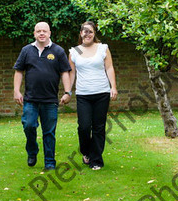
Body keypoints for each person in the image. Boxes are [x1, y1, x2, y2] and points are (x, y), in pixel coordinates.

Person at [13, 22, 72, 170]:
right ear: (34, 33)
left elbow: (65, 72)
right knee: (28, 125)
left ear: (49, 33)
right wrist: (16, 90)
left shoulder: (58, 51)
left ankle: (50, 163)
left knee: (49, 132)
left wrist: (67, 92)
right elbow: (19, 71)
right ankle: (32, 151)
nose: (41, 33)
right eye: (38, 31)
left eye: (44, 31)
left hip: (50, 100)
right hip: (30, 100)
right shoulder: (26, 50)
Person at [69, 21, 117, 170]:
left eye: (90, 31)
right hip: (83, 94)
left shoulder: (102, 48)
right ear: (80, 33)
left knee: (98, 127)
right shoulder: (75, 51)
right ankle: (86, 152)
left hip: (101, 93)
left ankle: (96, 160)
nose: (87, 34)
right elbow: (71, 73)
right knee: (83, 127)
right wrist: (67, 91)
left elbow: (109, 68)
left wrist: (113, 87)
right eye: (84, 31)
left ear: (94, 33)